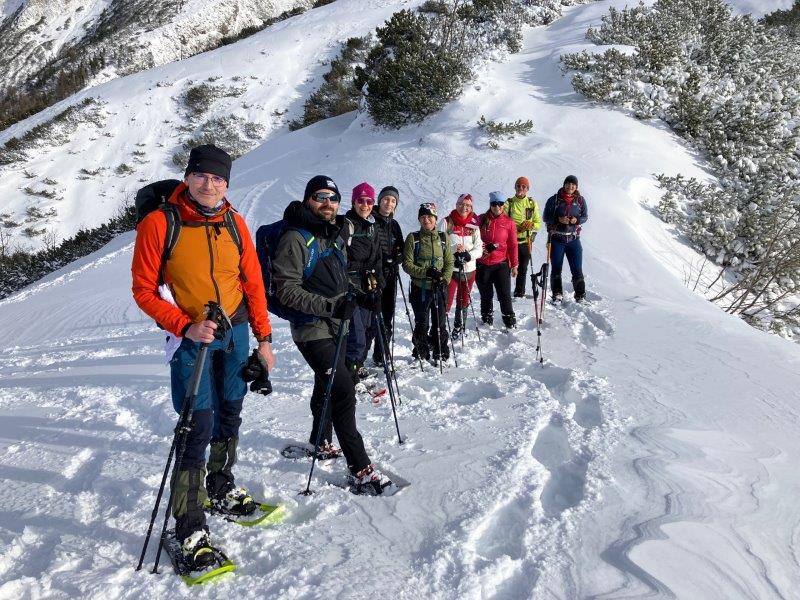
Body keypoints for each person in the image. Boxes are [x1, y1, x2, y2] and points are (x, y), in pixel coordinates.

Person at [131, 145, 275, 569]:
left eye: (218, 178)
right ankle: (188, 525)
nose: (209, 185)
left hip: (235, 332)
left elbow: (253, 284)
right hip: (191, 338)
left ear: (226, 183)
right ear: (188, 177)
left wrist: (264, 340)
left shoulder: (234, 222)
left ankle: (220, 484)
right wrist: (184, 325)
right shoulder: (160, 224)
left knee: (231, 411)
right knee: (198, 423)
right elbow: (143, 290)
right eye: (202, 176)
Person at [271, 175, 393, 494]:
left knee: (326, 384)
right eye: (321, 197)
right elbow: (286, 290)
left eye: (333, 198)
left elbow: (338, 282)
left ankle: (320, 441)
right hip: (311, 328)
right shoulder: (296, 238)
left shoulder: (333, 234)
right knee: (342, 390)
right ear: (309, 200)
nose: (328, 204)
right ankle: (360, 468)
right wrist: (330, 306)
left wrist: (361, 297)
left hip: (336, 326)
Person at [402, 203, 454, 363]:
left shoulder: (444, 237)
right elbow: (407, 264)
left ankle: (440, 350)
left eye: (430, 216)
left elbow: (449, 262)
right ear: (419, 219)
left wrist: (444, 279)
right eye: (423, 217)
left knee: (440, 321)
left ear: (435, 218)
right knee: (421, 322)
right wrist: (426, 272)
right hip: (421, 288)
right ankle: (421, 351)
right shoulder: (413, 238)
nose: (426, 220)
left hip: (440, 288)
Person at [343, 182, 384, 382]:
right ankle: (349, 377)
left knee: (370, 330)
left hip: (369, 287)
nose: (365, 205)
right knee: (356, 336)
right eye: (361, 200)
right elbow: (339, 258)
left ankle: (357, 367)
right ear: (353, 202)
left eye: (369, 201)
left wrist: (379, 284)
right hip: (350, 288)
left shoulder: (372, 226)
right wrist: (361, 270)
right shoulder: (346, 225)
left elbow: (377, 257)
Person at [369, 186, 404, 367]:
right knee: (371, 318)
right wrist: (383, 259)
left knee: (387, 316)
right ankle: (358, 356)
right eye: (386, 199)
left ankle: (381, 352)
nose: (389, 203)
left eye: (393, 201)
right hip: (373, 277)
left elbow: (402, 248)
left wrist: (397, 256)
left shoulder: (395, 225)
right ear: (380, 200)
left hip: (390, 277)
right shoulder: (371, 221)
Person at [442, 193, 483, 339]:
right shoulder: (447, 222)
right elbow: (440, 244)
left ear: (471, 207)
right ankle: (441, 327)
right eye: (461, 204)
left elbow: (479, 247)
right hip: (451, 270)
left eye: (468, 205)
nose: (464, 207)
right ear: (456, 204)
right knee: (446, 301)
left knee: (463, 300)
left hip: (469, 269)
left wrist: (468, 255)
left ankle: (459, 326)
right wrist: (453, 251)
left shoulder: (474, 225)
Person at [476, 191, 519, 328]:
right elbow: (472, 238)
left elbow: (512, 245)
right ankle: (486, 321)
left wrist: (514, 265)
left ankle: (509, 322)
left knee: (504, 295)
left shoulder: (509, 222)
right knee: (486, 295)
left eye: (500, 203)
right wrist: (482, 247)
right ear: (490, 205)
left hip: (501, 264)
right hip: (482, 264)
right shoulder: (481, 219)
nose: (497, 206)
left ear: (503, 205)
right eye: (494, 203)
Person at [543, 175, 589, 302]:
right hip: (557, 239)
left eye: (573, 185)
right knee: (556, 268)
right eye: (568, 184)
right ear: (564, 185)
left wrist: (577, 220)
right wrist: (558, 219)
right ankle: (557, 294)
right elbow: (546, 217)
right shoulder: (554, 200)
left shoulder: (580, 200)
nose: (570, 186)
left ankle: (580, 295)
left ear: (576, 187)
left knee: (577, 268)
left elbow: (585, 216)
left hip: (574, 240)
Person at [505, 176, 542, 298]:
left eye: (524, 186)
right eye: (518, 185)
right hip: (510, 242)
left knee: (523, 268)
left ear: (528, 189)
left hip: (526, 241)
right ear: (515, 187)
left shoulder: (531, 203)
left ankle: (519, 292)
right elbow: (502, 223)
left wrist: (531, 225)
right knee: (506, 268)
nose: (521, 188)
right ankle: (504, 291)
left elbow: (538, 223)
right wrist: (517, 229)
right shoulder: (509, 203)